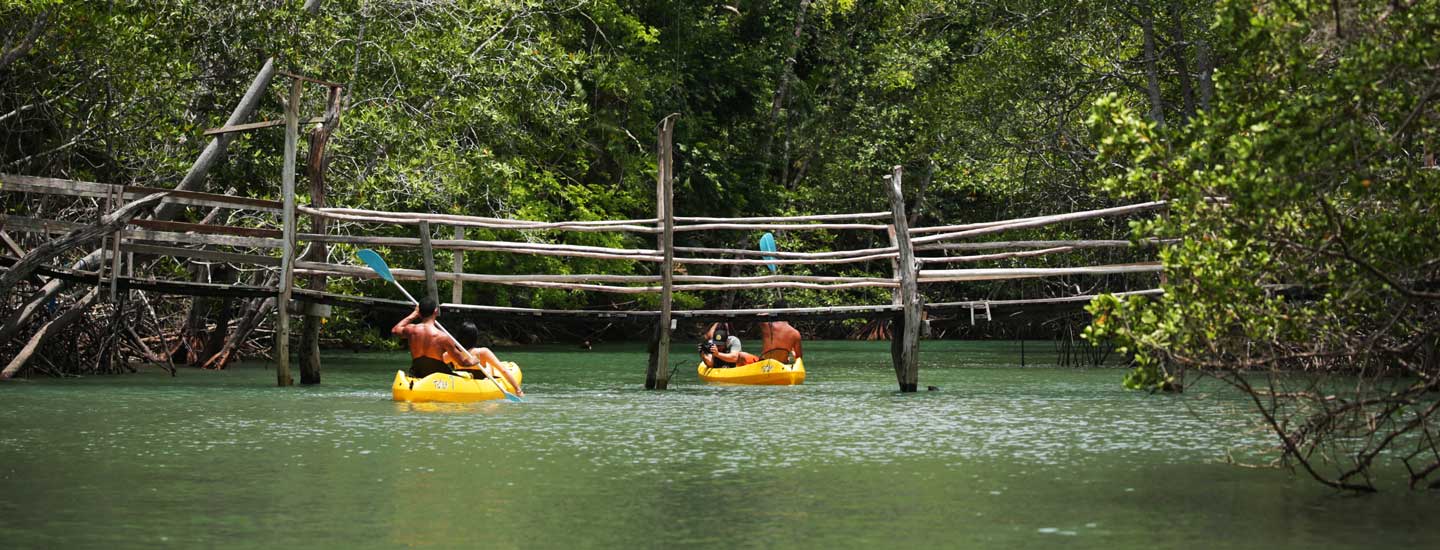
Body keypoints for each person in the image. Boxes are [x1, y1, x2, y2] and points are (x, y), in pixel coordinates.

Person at [391, 296, 470, 378]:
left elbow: (395, 330)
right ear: (435, 311)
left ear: (419, 312)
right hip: (439, 377)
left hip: (418, 374)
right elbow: (463, 362)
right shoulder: (443, 337)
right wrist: (474, 361)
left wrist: (414, 314)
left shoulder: (411, 330)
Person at [444, 321, 524, 397]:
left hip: (461, 383)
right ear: (475, 337)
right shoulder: (482, 352)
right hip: (480, 383)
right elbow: (503, 370)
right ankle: (488, 376)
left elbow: (438, 364)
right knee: (489, 364)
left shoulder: (451, 353)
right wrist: (518, 389)